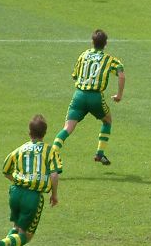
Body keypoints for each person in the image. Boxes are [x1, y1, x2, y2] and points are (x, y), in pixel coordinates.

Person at [0, 114, 61, 246]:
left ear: (29, 132)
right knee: (27, 236)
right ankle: (0, 244)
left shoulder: (20, 149)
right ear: (44, 133)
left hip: (16, 193)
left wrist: (18, 182)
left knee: (17, 227)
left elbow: (5, 170)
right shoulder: (50, 150)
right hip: (33, 196)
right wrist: (54, 194)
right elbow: (54, 174)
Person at [52, 29, 124, 165]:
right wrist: (119, 95)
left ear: (92, 42)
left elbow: (74, 76)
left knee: (67, 128)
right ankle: (100, 153)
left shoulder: (83, 55)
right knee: (107, 121)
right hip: (95, 97)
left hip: (79, 95)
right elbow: (121, 74)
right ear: (106, 43)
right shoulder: (109, 59)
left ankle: (52, 154)